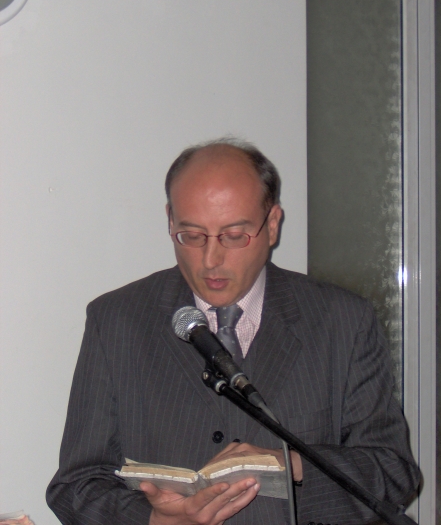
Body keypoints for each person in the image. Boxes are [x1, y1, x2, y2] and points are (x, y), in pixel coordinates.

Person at [47, 138, 420, 525]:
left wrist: (289, 465)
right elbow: (75, 486)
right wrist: (153, 520)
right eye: (192, 236)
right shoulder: (116, 321)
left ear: (272, 224)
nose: (211, 260)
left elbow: (393, 473)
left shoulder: (343, 321)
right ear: (170, 220)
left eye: (234, 235)